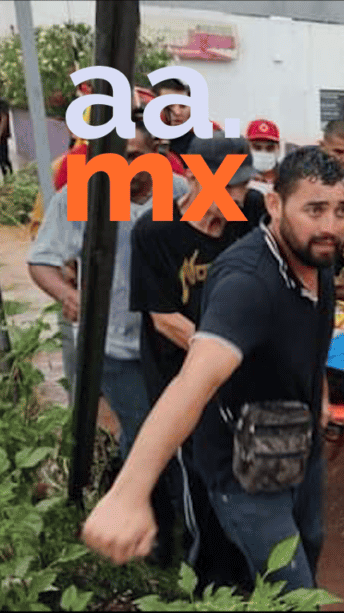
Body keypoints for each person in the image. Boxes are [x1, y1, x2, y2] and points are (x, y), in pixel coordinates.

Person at [81, 146, 344, 592]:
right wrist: (128, 493)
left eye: (341, 210)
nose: (330, 226)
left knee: (311, 541)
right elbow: (194, 379)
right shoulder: (246, 280)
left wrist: (318, 392)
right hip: (242, 456)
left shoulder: (316, 255)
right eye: (315, 209)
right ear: (276, 205)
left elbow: (310, 337)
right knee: (286, 585)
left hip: (298, 435)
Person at [28, 110, 189, 462]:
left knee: (173, 428)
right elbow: (40, 260)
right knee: (145, 429)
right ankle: (134, 503)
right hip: (114, 344)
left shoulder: (176, 191)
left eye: (133, 157)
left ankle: (132, 490)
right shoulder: (81, 196)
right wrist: (67, 294)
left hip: (166, 340)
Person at [129, 133, 254, 577]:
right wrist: (225, 352)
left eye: (240, 185)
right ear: (190, 180)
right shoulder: (155, 230)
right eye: (224, 187)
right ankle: (205, 577)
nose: (236, 196)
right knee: (198, 473)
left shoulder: (251, 212)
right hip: (181, 373)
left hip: (238, 371)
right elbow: (164, 318)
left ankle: (246, 563)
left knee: (244, 464)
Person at [246, 118, 281, 191]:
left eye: (269, 148)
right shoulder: (236, 178)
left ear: (278, 148)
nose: (263, 153)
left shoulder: (287, 178)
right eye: (257, 148)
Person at [0, 80, 12, 177]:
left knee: (4, 159)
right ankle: (7, 178)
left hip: (1, 137)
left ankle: (10, 177)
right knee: (0, 159)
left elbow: (4, 119)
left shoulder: (1, 102)